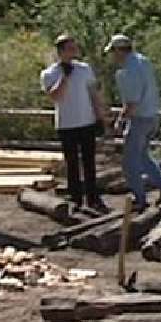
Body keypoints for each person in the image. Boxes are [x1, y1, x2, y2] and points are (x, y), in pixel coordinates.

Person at [40, 35, 109, 212]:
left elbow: (93, 93)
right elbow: (55, 97)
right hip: (66, 124)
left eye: (74, 48)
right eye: (70, 48)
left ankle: (93, 197)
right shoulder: (49, 73)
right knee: (71, 163)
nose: (74, 52)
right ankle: (75, 198)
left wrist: (100, 116)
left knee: (89, 162)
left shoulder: (84, 69)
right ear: (60, 51)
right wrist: (64, 77)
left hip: (86, 121)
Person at [106, 34, 161, 211]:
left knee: (129, 162)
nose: (112, 56)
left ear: (120, 51)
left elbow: (132, 102)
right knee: (143, 156)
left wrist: (120, 121)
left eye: (113, 51)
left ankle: (140, 198)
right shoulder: (143, 61)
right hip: (152, 115)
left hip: (140, 118)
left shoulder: (127, 71)